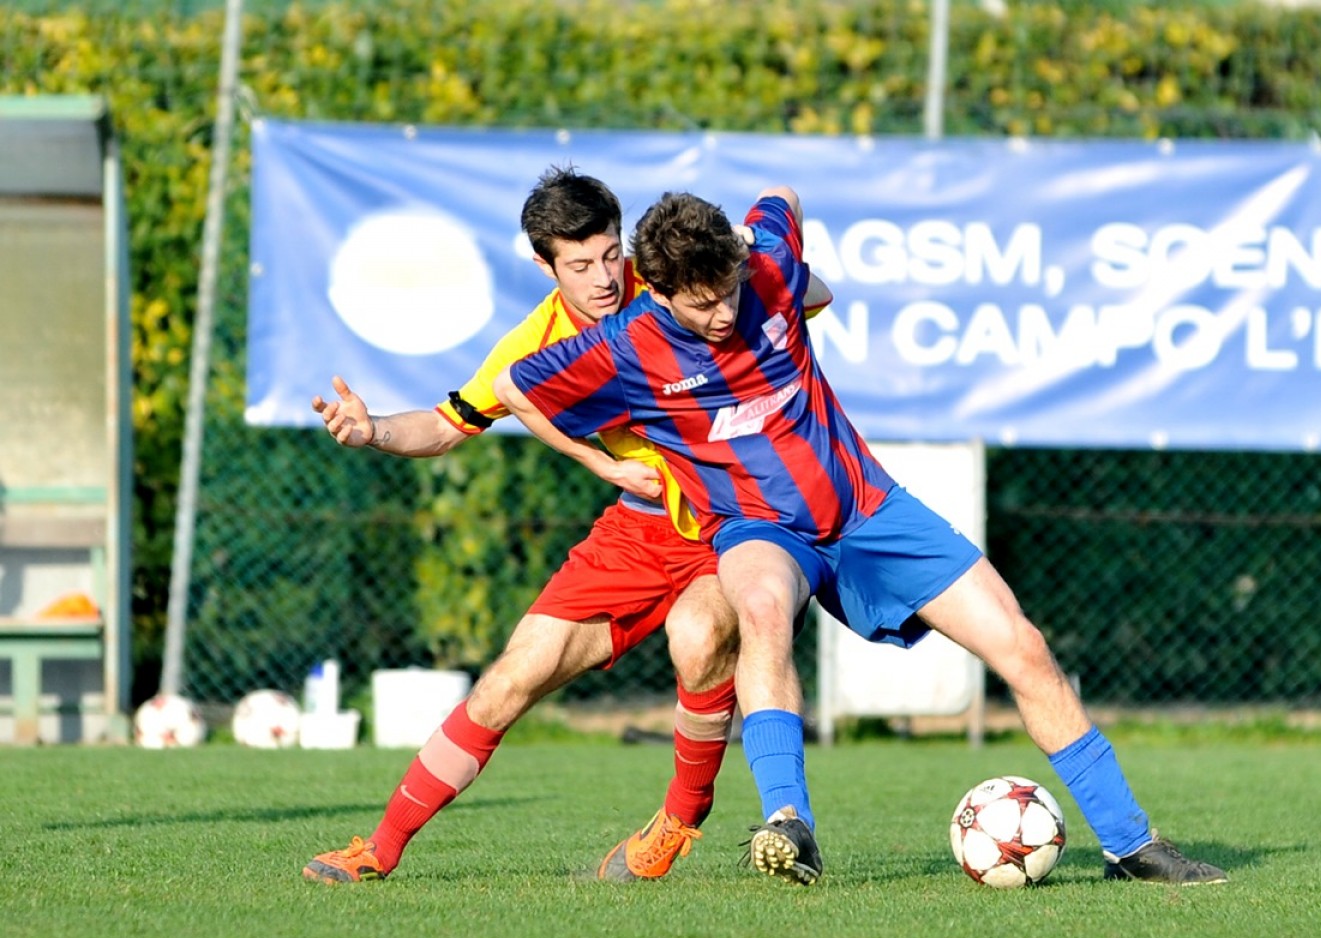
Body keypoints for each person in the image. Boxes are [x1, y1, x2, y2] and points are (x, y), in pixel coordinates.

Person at [493, 187, 1229, 887]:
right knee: (761, 615)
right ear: (657, 292)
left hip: (868, 508)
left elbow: (784, 198)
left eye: (728, 290)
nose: (721, 313)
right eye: (700, 303)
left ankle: (1131, 844)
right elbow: (515, 387)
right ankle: (790, 825)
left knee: (1021, 643)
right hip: (759, 529)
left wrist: (781, 270)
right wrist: (603, 464)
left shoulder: (769, 266)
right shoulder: (627, 344)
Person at [303, 167, 768, 884]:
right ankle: (379, 849)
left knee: (698, 635)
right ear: (545, 265)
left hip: (733, 518)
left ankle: (680, 818)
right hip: (637, 531)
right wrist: (371, 433)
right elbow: (444, 425)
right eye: (579, 265)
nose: (605, 277)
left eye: (611, 253)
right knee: (509, 679)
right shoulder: (533, 343)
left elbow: (779, 298)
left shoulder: (674, 282)